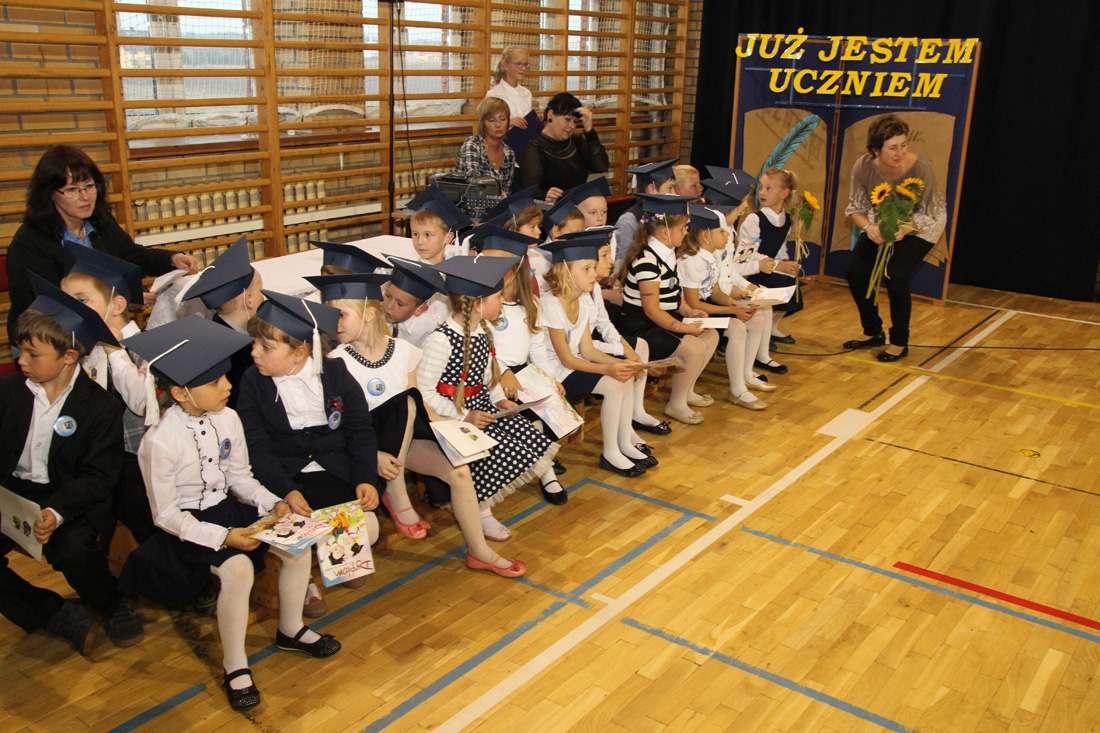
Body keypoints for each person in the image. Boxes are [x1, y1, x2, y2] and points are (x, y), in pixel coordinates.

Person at [119, 315, 340, 710]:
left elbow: (240, 477)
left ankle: (290, 629)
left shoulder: (228, 418)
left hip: (227, 511)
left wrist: (271, 502)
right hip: (187, 528)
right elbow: (166, 515)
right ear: (181, 393)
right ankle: (235, 666)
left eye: (225, 378)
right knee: (237, 569)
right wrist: (223, 537)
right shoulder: (160, 441)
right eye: (215, 383)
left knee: (297, 542)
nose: (228, 386)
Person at [310, 273, 526, 577]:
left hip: (402, 442)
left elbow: (422, 408)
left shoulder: (403, 350)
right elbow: (335, 424)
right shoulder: (335, 361)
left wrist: (456, 426)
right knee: (406, 402)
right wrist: (371, 454)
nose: (334, 323)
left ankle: (479, 552)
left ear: (368, 314)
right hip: (363, 448)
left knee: (459, 471)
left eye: (341, 315)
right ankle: (395, 492)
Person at [0, 277, 142, 654]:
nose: (21, 361)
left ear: (68, 357)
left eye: (33, 354)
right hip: (12, 493)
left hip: (69, 497)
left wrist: (55, 512)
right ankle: (49, 612)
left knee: (74, 549)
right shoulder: (9, 392)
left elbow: (99, 476)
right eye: (20, 351)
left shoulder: (99, 406)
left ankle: (109, 604)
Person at [236, 291, 380, 618]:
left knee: (368, 526)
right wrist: (285, 489)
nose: (254, 352)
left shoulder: (335, 373)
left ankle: (340, 559)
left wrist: (365, 478)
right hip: (286, 476)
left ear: (300, 352)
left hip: (335, 472)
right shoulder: (253, 381)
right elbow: (256, 447)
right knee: (295, 535)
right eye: (255, 343)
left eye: (265, 347)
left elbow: (360, 430)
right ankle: (305, 581)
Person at [5, 145, 199, 349]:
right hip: (46, 341)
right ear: (50, 194)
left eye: (89, 186)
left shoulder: (100, 222)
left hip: (103, 328)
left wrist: (172, 259)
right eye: (72, 190)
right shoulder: (29, 243)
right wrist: (119, 304)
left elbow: (132, 256)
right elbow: (50, 306)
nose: (85, 196)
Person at [418, 255, 561, 531]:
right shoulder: (440, 341)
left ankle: (482, 508)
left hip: (480, 408)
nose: (503, 301)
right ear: (477, 304)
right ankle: (480, 513)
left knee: (524, 437)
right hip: (450, 416)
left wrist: (499, 400)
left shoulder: (483, 331)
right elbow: (424, 393)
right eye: (498, 297)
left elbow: (489, 377)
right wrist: (463, 415)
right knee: (488, 451)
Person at [60, 244, 159, 541]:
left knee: (143, 520)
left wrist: (115, 351)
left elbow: (142, 404)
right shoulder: (84, 349)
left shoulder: (149, 347)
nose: (73, 309)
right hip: (98, 458)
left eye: (82, 300)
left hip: (136, 462)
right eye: (67, 301)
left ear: (116, 306)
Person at [541, 233, 653, 478]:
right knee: (613, 384)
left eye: (594, 267)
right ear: (564, 272)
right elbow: (566, 359)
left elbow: (588, 349)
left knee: (623, 375)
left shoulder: (582, 300)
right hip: (553, 374)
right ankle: (610, 453)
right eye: (587, 269)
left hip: (573, 365)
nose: (594, 274)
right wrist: (608, 368)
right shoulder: (551, 305)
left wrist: (624, 363)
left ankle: (623, 443)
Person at [843, 113, 947, 362]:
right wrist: (870, 228)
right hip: (881, 221)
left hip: (922, 224)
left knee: (896, 275)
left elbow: (930, 213)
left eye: (903, 145)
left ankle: (899, 342)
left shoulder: (922, 167)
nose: (900, 153)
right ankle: (873, 332)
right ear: (876, 150)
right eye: (892, 148)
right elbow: (855, 209)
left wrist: (905, 228)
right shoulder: (863, 166)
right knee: (856, 272)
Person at [616, 193, 717, 425]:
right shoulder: (647, 261)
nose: (686, 233)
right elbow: (652, 310)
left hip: (662, 320)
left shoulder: (668, 254)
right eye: (682, 228)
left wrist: (688, 311)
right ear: (664, 233)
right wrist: (685, 328)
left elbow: (672, 292)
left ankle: (687, 390)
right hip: (642, 327)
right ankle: (676, 404)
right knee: (693, 348)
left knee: (710, 335)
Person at [679, 206, 773, 410]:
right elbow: (694, 304)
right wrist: (733, 311)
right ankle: (737, 389)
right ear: (705, 236)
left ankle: (744, 376)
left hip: (705, 307)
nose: (727, 235)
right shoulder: (691, 261)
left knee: (752, 318)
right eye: (721, 231)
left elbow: (715, 292)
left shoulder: (711, 256)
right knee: (736, 327)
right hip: (690, 314)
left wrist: (738, 305)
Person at [181, 236, 265, 409]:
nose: (263, 295)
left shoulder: (218, 329)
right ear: (248, 300)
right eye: (260, 290)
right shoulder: (230, 352)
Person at [734, 167, 803, 375]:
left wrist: (787, 264)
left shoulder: (786, 219)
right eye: (761, 188)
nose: (762, 192)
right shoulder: (754, 220)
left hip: (768, 268)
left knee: (792, 288)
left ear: (784, 194)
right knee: (769, 299)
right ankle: (761, 352)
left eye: (769, 188)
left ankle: (769, 331)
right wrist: (777, 266)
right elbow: (744, 258)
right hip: (751, 273)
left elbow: (779, 249)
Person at [519, 92, 609, 203]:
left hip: (579, 206)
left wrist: (589, 130)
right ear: (551, 115)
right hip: (552, 209)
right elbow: (530, 192)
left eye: (575, 121)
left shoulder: (577, 141)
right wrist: (546, 195)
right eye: (567, 119)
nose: (572, 126)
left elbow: (601, 167)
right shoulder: (534, 148)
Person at [614, 159, 679, 271]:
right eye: (670, 188)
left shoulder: (669, 215)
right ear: (652, 189)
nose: (674, 193)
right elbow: (621, 264)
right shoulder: (629, 220)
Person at [455, 96, 516, 195]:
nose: (498, 124)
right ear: (483, 124)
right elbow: (473, 181)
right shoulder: (473, 144)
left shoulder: (509, 153)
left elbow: (507, 190)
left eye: (502, 119)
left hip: (497, 203)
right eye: (491, 120)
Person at [403, 185, 474, 262]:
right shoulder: (409, 268)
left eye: (428, 235)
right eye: (415, 234)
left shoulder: (457, 266)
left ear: (448, 238)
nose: (420, 242)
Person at [486, 46, 535, 131]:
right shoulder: (494, 94)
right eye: (518, 64)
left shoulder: (527, 93)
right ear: (505, 65)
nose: (523, 68)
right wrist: (509, 122)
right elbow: (487, 125)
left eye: (525, 64)